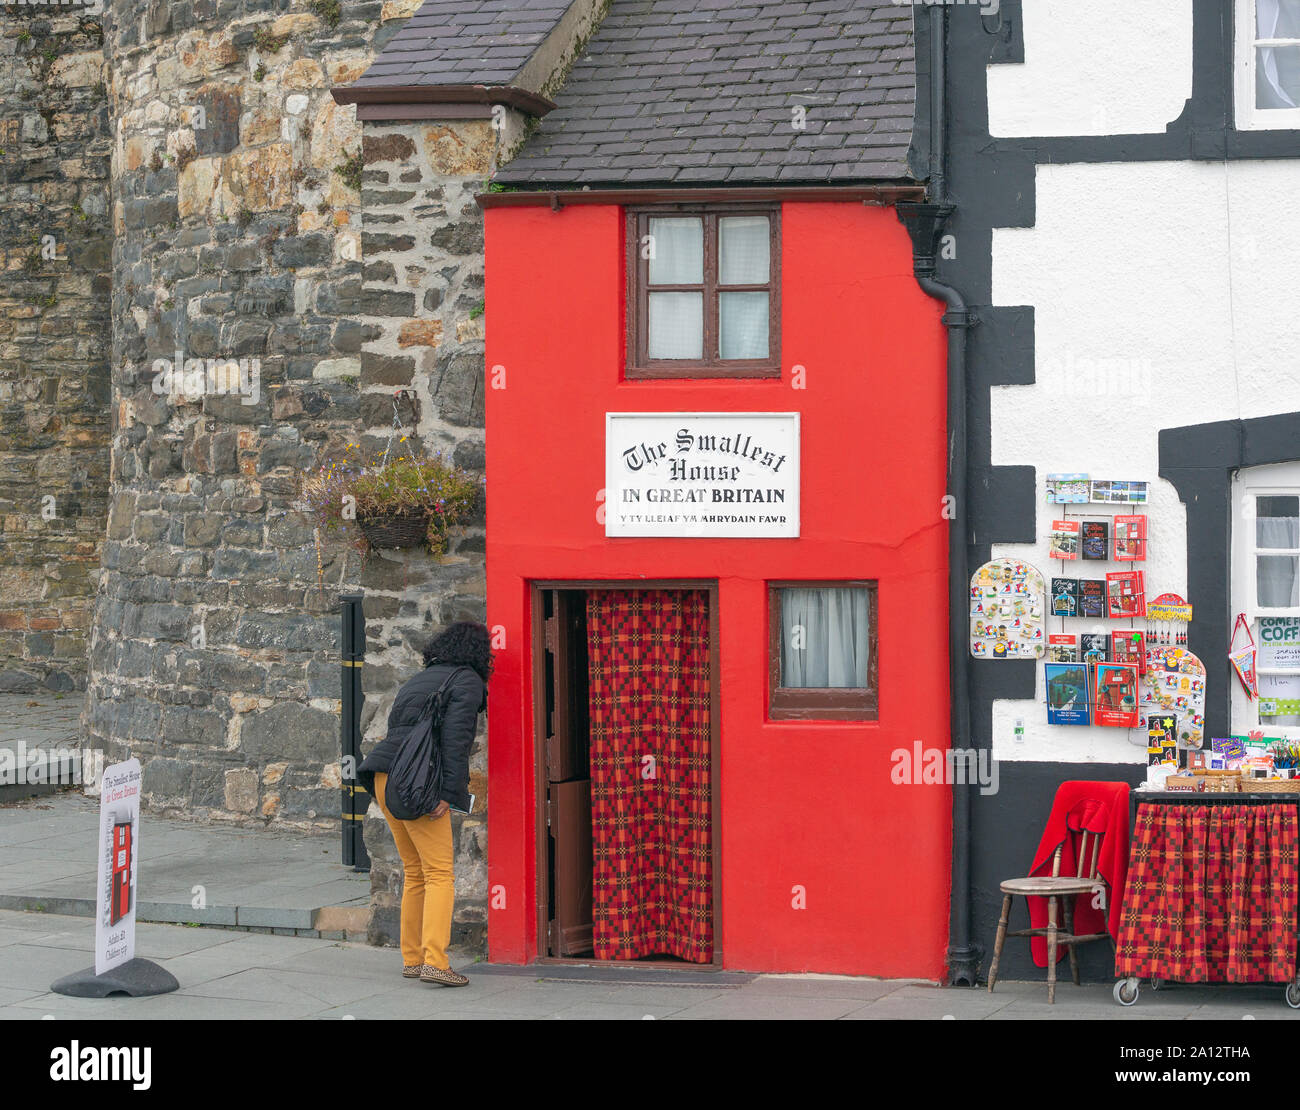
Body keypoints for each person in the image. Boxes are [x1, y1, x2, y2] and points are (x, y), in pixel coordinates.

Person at [358, 620, 490, 987]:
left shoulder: (419, 679)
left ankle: (414, 958)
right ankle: (436, 961)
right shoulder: (466, 681)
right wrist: (448, 794)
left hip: (385, 776)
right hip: (417, 784)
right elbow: (456, 740)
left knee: (414, 871)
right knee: (439, 874)